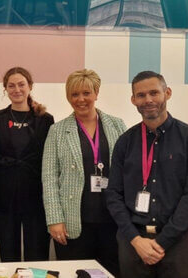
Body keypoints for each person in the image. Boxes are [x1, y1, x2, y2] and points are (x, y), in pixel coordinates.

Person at [105, 71, 188, 278]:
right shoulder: (125, 142)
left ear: (167, 93)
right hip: (133, 242)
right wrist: (136, 240)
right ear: (133, 99)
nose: (148, 100)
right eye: (141, 95)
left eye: (154, 93)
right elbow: (113, 194)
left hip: (177, 243)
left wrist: (162, 242)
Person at [42, 69, 126, 276]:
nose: (80, 99)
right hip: (73, 223)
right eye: (74, 94)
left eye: (86, 93)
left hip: (112, 220)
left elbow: (128, 171)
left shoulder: (117, 125)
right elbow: (49, 177)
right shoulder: (57, 131)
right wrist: (54, 219)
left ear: (96, 93)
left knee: (112, 272)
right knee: (76, 273)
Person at [0, 67, 54, 262]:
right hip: (4, 197)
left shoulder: (45, 119)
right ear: (5, 89)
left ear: (30, 86)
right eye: (11, 85)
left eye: (21, 84)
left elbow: (50, 161)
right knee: (8, 253)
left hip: (37, 197)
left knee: (38, 253)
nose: (17, 89)